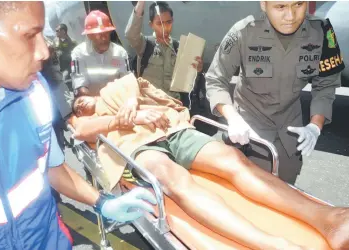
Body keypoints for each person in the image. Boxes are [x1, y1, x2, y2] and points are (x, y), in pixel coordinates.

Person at [72, 73, 349, 250]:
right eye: (77, 107)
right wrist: (125, 119)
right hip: (138, 148)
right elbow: (81, 131)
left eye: (83, 100)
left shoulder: (114, 88)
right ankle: (273, 245)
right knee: (174, 181)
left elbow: (133, 81)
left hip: (174, 130)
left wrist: (131, 104)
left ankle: (330, 219)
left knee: (235, 160)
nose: (81, 106)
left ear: (92, 92)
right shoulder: (86, 119)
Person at [0, 2, 156, 249]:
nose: (44, 52)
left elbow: (52, 168)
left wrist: (102, 202)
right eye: (29, 36)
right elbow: (81, 97)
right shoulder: (78, 55)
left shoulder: (34, 95)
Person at [205, 1, 345, 184]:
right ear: (264, 4)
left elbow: (326, 83)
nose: (291, 16)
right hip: (249, 131)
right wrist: (232, 118)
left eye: (298, 4)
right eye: (280, 7)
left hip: (289, 131)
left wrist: (314, 126)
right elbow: (215, 79)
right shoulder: (244, 32)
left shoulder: (321, 33)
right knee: (247, 193)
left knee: (287, 191)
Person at [125, 1, 204, 102]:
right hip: (149, 104)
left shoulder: (179, 48)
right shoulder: (145, 45)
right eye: (159, 23)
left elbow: (188, 86)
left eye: (168, 22)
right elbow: (130, 35)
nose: (165, 28)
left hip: (174, 105)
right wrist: (141, 2)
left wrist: (197, 71)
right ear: (151, 24)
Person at [71, 10, 129, 97]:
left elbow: (127, 81)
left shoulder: (121, 53)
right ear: (89, 35)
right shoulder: (78, 54)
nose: (104, 38)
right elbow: (79, 86)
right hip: (92, 102)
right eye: (99, 34)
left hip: (116, 101)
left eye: (106, 33)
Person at [54, 23, 77, 88]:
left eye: (57, 30)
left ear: (63, 31)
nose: (56, 32)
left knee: (64, 77)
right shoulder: (55, 41)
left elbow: (76, 55)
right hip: (59, 66)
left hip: (69, 65)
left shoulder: (72, 42)